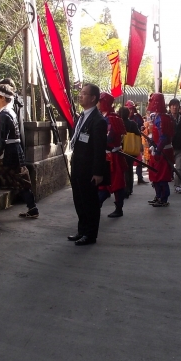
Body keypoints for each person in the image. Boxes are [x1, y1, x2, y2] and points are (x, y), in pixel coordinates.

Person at [0, 79, 38, 219]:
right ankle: (32, 208)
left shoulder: (4, 115)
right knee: (22, 180)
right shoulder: (9, 112)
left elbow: (1, 141)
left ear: (2, 98)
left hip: (10, 154)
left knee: (19, 180)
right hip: (14, 151)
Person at [68, 84, 107, 246]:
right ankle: (82, 230)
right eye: (81, 93)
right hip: (77, 165)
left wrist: (98, 172)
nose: (80, 96)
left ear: (93, 98)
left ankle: (90, 234)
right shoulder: (82, 117)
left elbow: (99, 149)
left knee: (90, 202)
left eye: (84, 94)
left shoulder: (98, 121)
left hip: (89, 169)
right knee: (79, 200)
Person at [97, 93, 127, 218]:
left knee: (116, 183)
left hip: (113, 156)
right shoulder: (103, 116)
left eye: (99, 101)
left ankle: (118, 208)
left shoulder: (112, 118)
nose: (97, 103)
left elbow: (109, 138)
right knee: (103, 183)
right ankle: (96, 205)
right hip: (105, 155)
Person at [147, 93, 174, 207]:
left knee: (162, 176)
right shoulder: (158, 117)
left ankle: (163, 198)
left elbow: (164, 137)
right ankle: (158, 196)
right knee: (155, 175)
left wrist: (158, 150)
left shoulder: (163, 118)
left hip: (163, 151)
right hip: (157, 149)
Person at [119, 106, 140, 198]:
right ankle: (129, 188)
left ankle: (123, 188)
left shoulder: (118, 123)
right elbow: (138, 134)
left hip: (120, 148)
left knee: (122, 169)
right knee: (129, 169)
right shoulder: (133, 123)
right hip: (130, 149)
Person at [126, 100, 146, 184]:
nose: (131, 111)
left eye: (132, 109)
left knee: (139, 160)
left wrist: (141, 128)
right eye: (129, 109)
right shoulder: (121, 118)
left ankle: (140, 178)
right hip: (126, 143)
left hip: (136, 141)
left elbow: (142, 126)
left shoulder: (137, 117)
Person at [169, 98, 181, 194]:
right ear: (170, 107)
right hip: (168, 146)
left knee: (179, 167)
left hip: (180, 146)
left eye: (176, 105)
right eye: (173, 105)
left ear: (179, 107)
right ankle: (163, 188)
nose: (174, 107)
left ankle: (177, 185)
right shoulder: (166, 117)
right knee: (167, 168)